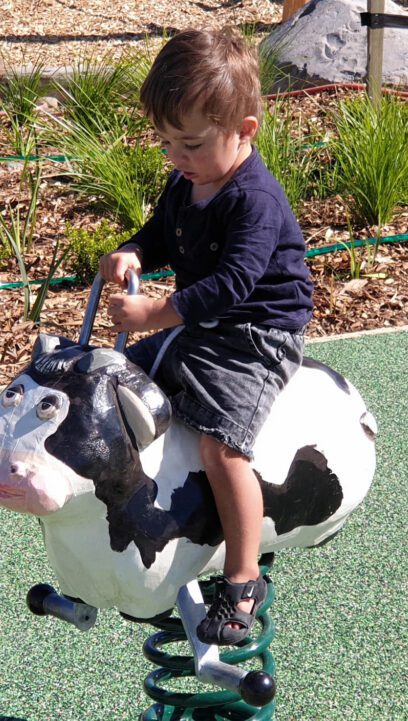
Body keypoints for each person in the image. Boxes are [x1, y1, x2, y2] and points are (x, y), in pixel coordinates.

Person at [98, 28, 314, 645]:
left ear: (245, 130)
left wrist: (157, 313)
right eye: (166, 142)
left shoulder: (255, 200)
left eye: (190, 142)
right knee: (119, 389)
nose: (176, 156)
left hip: (256, 333)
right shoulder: (188, 180)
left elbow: (233, 284)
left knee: (223, 449)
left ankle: (243, 580)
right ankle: (130, 522)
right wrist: (133, 249)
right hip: (199, 322)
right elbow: (162, 234)